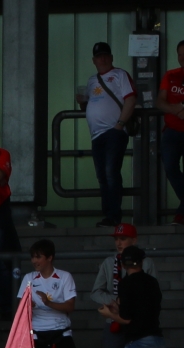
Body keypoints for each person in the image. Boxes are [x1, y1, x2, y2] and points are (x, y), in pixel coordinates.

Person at [82, 42, 138, 228]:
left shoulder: (120, 75)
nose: (103, 59)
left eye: (105, 55)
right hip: (97, 135)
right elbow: (92, 103)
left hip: (113, 132)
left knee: (110, 173)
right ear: (94, 60)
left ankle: (113, 216)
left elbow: (130, 99)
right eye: (99, 56)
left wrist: (120, 125)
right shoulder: (91, 80)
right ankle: (109, 215)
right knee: (103, 175)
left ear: (111, 57)